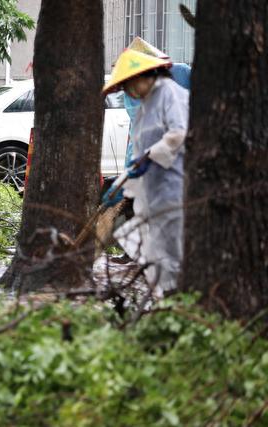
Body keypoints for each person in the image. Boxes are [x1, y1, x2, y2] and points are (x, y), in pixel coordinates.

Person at [102, 49, 189, 296]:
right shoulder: (146, 105)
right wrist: (124, 185)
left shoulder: (170, 95)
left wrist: (151, 157)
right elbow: (138, 148)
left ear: (144, 76)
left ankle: (176, 299)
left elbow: (178, 134)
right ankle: (161, 295)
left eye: (128, 85)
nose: (128, 93)